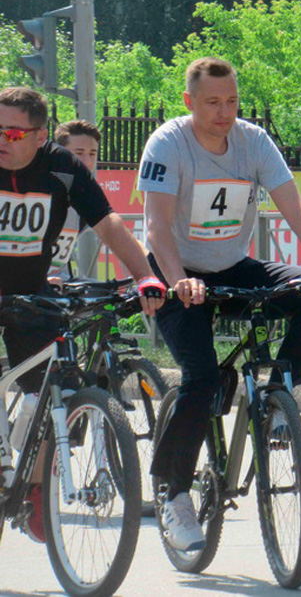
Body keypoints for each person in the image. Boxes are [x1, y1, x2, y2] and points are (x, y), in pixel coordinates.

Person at [139, 57, 301, 552]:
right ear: (189, 102)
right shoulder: (168, 143)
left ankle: (281, 394)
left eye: (231, 101)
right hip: (175, 273)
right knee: (203, 378)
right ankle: (175, 493)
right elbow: (156, 227)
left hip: (232, 267)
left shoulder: (253, 140)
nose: (224, 111)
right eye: (212, 102)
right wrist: (179, 281)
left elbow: (296, 207)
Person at [0, 87, 166, 544]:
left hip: (31, 289)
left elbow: (108, 223)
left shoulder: (63, 168)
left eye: (11, 132)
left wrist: (146, 277)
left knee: (59, 387)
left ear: (37, 136)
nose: (2, 139)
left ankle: (34, 489)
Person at [47, 120, 102, 282]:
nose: (87, 161)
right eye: (79, 153)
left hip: (61, 289)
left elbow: (117, 234)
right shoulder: (38, 189)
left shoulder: (86, 196)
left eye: (92, 153)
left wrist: (147, 274)